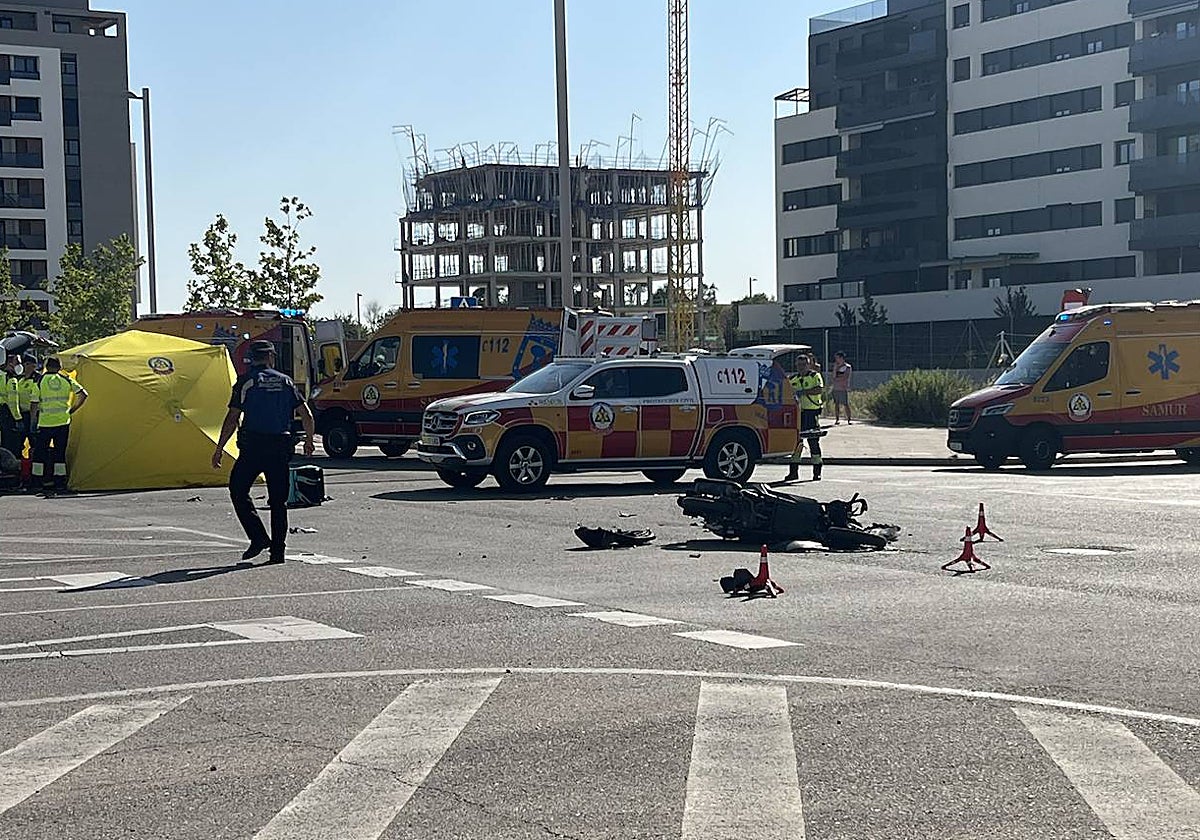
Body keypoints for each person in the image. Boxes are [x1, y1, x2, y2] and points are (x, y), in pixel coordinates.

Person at [213, 340, 315, 564]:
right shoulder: (285, 381)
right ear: (271, 357)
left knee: (238, 490)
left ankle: (258, 537)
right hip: (280, 447)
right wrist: (309, 440)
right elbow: (306, 414)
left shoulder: (246, 381)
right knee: (279, 502)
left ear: (253, 358)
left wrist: (220, 448)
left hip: (253, 448)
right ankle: (278, 551)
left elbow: (232, 418)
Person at [29, 356, 87, 495]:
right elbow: (83, 394)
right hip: (63, 422)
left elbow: (34, 403)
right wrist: (72, 409)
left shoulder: (40, 381)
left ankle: (37, 482)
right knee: (59, 454)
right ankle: (59, 482)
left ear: (46, 366)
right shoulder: (66, 380)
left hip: (45, 423)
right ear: (59, 367)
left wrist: (32, 421)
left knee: (39, 454)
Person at [786, 353, 824, 482]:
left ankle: (817, 472)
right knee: (797, 443)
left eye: (804, 364)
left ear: (809, 365)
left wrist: (803, 392)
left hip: (811, 413)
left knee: (813, 442)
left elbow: (818, 390)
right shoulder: (792, 379)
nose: (801, 367)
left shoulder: (814, 376)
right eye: (799, 365)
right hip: (798, 414)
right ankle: (793, 472)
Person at [831, 351, 853, 425]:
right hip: (836, 388)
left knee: (845, 404)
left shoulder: (847, 367)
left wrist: (838, 378)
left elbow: (845, 377)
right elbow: (834, 377)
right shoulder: (835, 366)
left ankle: (849, 419)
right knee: (836, 404)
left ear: (842, 358)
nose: (836, 359)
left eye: (837, 358)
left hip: (843, 388)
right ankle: (837, 419)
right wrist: (836, 368)